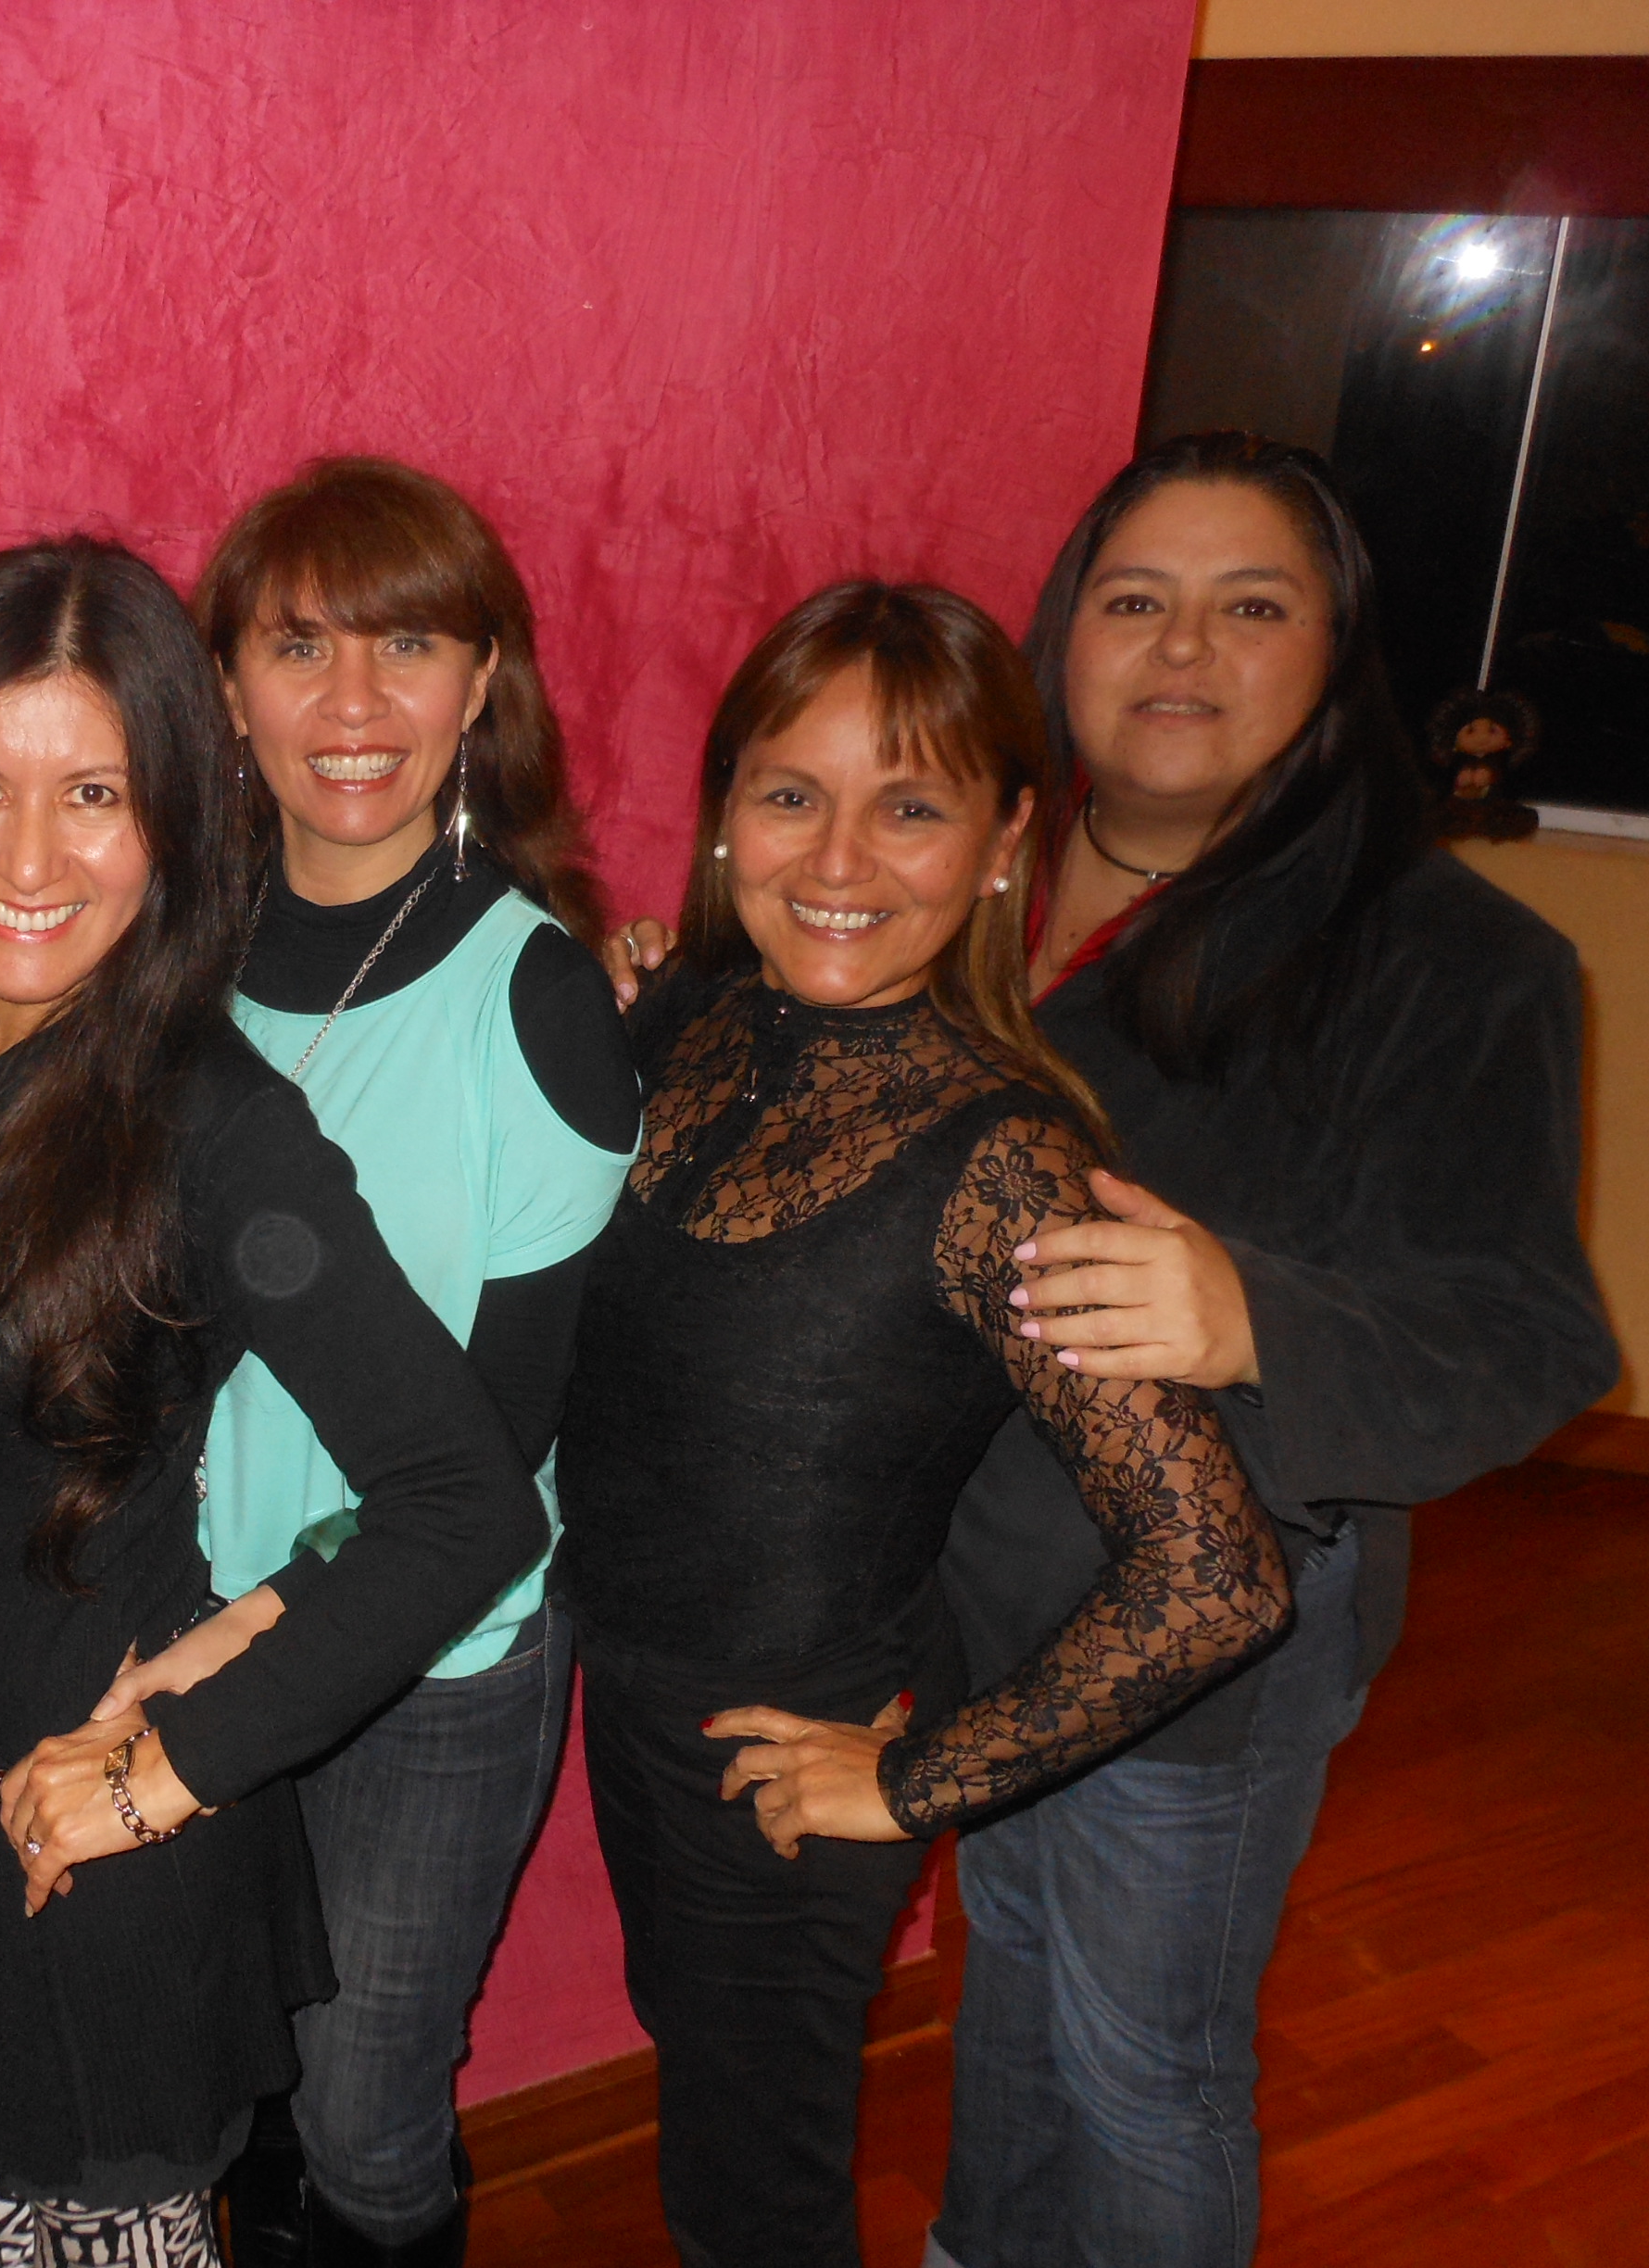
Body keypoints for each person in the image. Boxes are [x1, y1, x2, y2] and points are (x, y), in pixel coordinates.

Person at [0, 536, 545, 2267]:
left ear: (175, 818)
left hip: (85, 1888)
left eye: (94, 794)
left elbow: (464, 1501)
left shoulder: (209, 1121)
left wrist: (174, 1770)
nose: (31, 860)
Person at [917, 435, 1618, 2268]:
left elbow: (1532, 1334)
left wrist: (1255, 1320)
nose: (1182, 649)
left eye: (1251, 607)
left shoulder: (1451, 960)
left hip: (1209, 1635)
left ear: (1336, 651)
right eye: (1136, 601)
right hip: (974, 1595)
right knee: (1011, 1993)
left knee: (1142, 2069)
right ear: (1064, 635)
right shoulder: (965, 873)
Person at [556, 580, 1298, 2268]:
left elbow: (1215, 1577)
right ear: (727, 814)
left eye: (909, 810)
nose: (838, 861)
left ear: (1001, 844)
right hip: (634, 1684)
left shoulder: (1008, 1160)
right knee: (708, 2094)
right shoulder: (696, 1016)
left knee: (750, 2199)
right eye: (790, 795)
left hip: (796, 1739)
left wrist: (916, 1782)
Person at [78, 456, 638, 2268]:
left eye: (409, 645)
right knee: (235, 2075)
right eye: (300, 645)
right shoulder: (163, 956)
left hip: (430, 1665)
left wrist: (257, 1636)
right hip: (188, 1609)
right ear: (224, 688)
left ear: (483, 686)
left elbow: (508, 1423)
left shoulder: (536, 995)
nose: (354, 702)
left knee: (364, 2117)